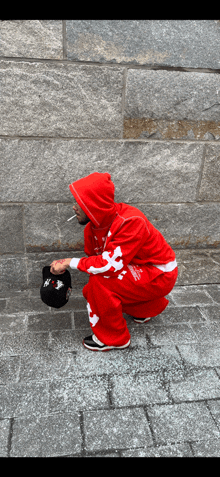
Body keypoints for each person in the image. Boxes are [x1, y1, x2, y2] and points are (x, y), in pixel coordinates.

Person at [50, 172, 178, 352]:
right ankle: (147, 308)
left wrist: (68, 262)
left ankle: (114, 338)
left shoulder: (131, 221)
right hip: (138, 269)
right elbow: (97, 262)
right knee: (93, 289)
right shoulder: (92, 229)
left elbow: (109, 266)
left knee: (100, 283)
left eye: (80, 202)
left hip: (160, 273)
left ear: (94, 204)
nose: (74, 207)